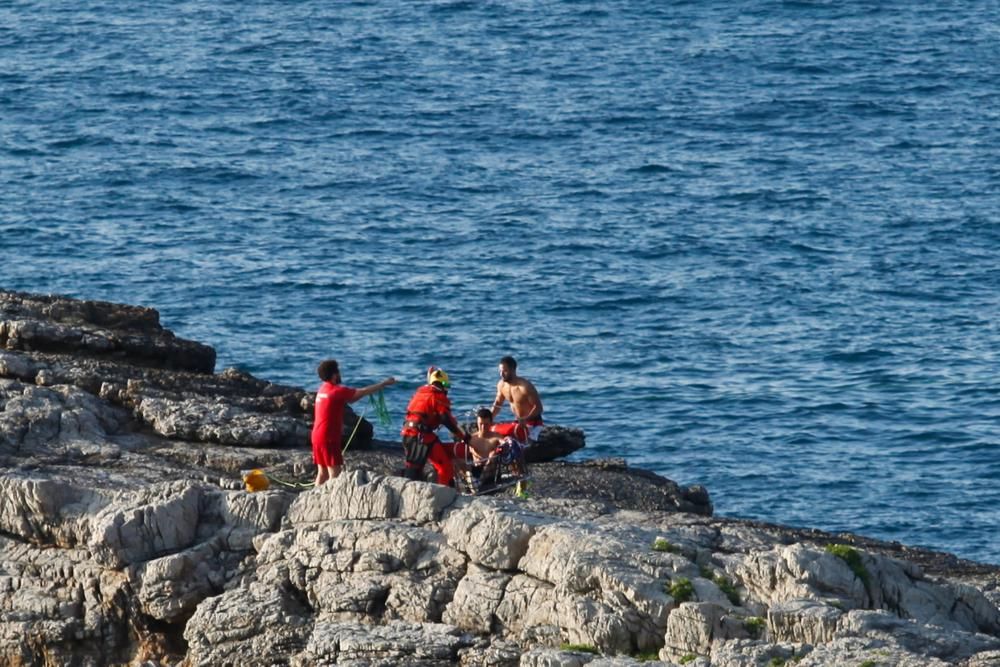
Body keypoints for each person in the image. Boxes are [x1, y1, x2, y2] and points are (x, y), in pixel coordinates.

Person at [311, 359, 396, 486]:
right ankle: (332, 501)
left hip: (316, 435)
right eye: (338, 371)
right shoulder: (337, 391)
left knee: (322, 472)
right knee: (335, 473)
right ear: (334, 374)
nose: (340, 374)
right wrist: (383, 384)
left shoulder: (322, 389)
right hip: (328, 438)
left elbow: (352, 399)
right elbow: (360, 392)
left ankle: (315, 498)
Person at [400, 366, 469, 486]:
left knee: (416, 467)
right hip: (421, 437)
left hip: (409, 433)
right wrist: (463, 436)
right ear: (443, 385)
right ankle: (443, 493)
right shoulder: (438, 396)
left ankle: (444, 487)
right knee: (442, 468)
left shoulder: (420, 393)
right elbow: (446, 419)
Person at [490, 355, 544, 443]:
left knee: (522, 445)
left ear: (513, 370)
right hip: (518, 422)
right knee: (494, 436)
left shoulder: (525, 387)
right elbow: (498, 403)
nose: (501, 374)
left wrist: (525, 419)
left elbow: (539, 408)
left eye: (505, 371)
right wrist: (490, 418)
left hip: (533, 423)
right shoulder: (501, 385)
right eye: (500, 371)